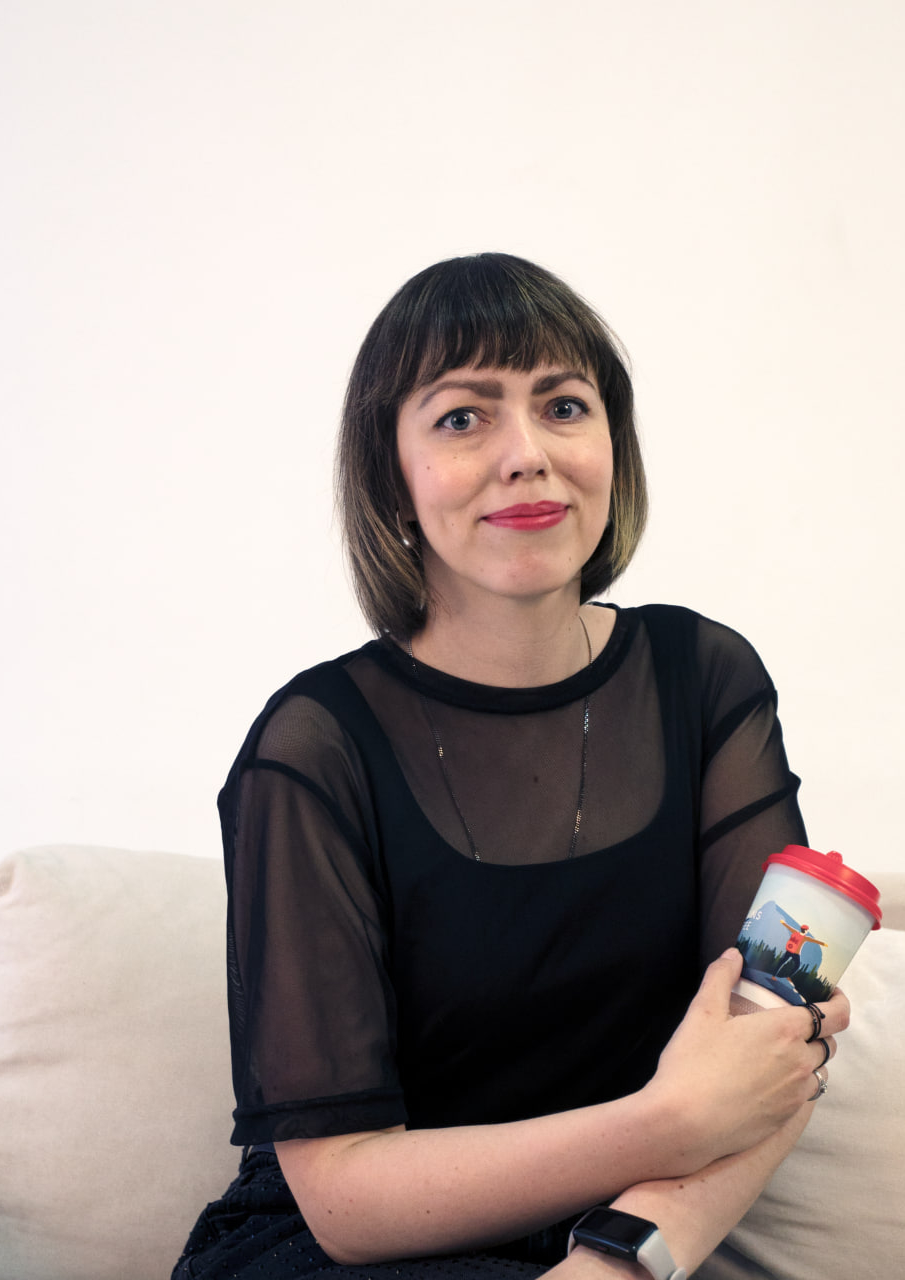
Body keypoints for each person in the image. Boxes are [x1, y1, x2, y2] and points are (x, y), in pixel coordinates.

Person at [173, 253, 850, 1280]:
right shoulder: (312, 746)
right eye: (462, 418)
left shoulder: (705, 679)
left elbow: (769, 1058)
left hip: (623, 1242)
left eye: (563, 406)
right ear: (392, 478)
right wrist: (665, 1121)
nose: (526, 455)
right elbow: (344, 1199)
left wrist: (616, 1263)